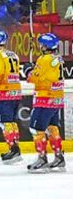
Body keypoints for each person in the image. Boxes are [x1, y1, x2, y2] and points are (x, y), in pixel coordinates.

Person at [26, 33, 65, 172]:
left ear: (46, 46)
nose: (40, 46)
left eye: (42, 44)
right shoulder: (58, 58)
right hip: (57, 97)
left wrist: (29, 71)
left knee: (35, 128)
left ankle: (42, 158)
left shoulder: (44, 59)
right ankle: (59, 157)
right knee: (52, 126)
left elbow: (35, 78)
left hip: (44, 98)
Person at [0, 30, 23, 163]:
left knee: (4, 122)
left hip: (5, 92)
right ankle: (16, 148)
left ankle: (13, 150)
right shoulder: (13, 54)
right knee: (11, 121)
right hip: (16, 91)